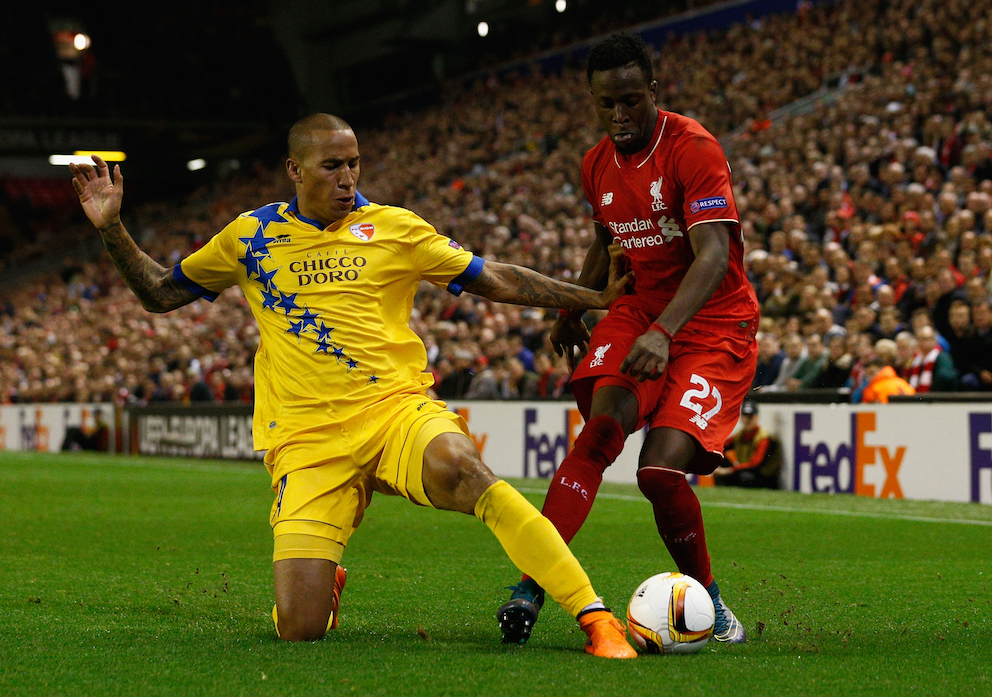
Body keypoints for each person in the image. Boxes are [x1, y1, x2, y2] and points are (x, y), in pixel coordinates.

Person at [69, 114, 639, 659]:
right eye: (331, 166)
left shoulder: (396, 228)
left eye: (354, 164)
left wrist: (593, 298)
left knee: (466, 470)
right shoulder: (250, 236)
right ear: (295, 170)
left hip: (394, 411)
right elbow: (160, 293)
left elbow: (494, 278)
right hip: (308, 441)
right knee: (298, 629)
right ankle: (326, 584)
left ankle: (595, 617)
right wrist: (112, 228)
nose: (347, 178)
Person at [499, 33, 757, 646]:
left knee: (659, 473)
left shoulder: (692, 148)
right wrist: (574, 307)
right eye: (607, 103)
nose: (619, 114)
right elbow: (605, 242)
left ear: (653, 92)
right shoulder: (595, 164)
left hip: (714, 323)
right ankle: (532, 584)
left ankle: (711, 602)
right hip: (637, 310)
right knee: (599, 433)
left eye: (631, 100)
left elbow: (714, 253)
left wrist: (666, 333)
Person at [714, 400, 781, 489]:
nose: (747, 420)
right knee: (719, 463)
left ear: (756, 418)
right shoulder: (740, 436)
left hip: (762, 476)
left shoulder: (763, 438)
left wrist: (730, 470)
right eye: (745, 416)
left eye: (751, 417)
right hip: (744, 470)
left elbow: (755, 464)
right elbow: (720, 447)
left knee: (745, 478)